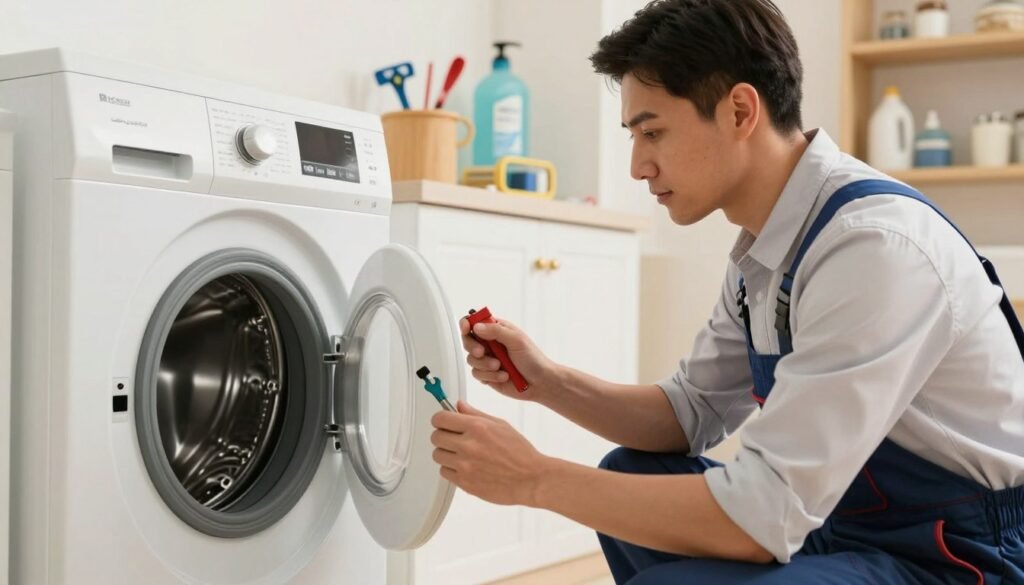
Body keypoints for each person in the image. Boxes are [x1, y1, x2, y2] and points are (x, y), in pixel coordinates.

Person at [429, 0, 1024, 582]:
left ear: (741, 111)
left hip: (955, 556)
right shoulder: (766, 249)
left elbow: (760, 517)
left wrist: (534, 478)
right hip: (843, 522)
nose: (638, 166)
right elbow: (690, 414)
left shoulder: (872, 247)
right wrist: (546, 381)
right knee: (631, 472)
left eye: (652, 132)